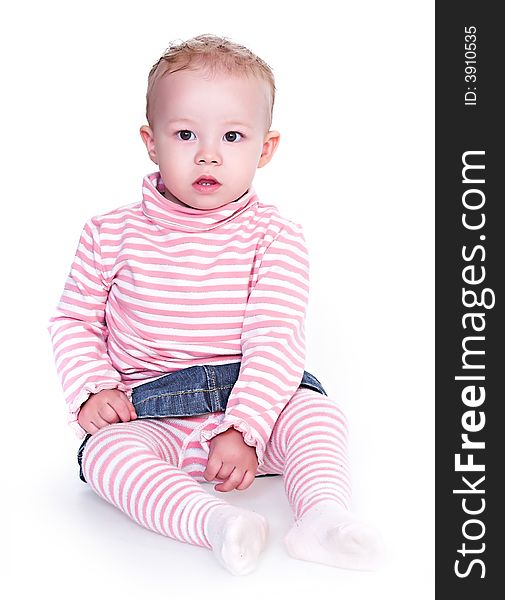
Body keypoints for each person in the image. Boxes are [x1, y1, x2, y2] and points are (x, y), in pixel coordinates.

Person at [48, 33, 382, 576]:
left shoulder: (275, 237)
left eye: (232, 135)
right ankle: (216, 522)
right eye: (184, 134)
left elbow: (275, 337)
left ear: (264, 149)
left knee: (318, 415)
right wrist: (94, 387)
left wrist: (244, 426)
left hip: (258, 404)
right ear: (151, 141)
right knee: (105, 455)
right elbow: (75, 319)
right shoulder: (108, 234)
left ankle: (323, 515)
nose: (208, 153)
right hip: (152, 410)